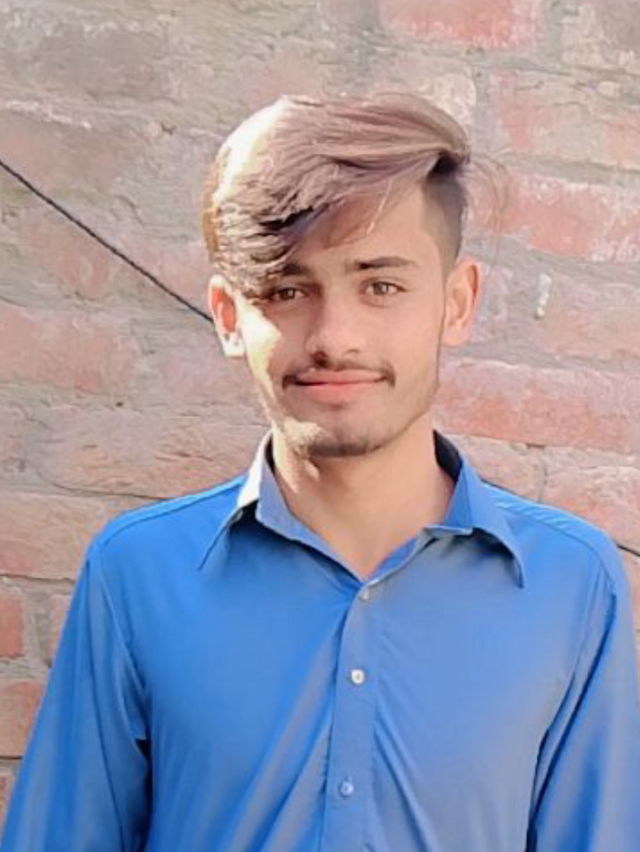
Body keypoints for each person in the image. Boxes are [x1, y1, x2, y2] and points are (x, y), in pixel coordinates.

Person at [2, 92, 640, 852]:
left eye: (381, 285)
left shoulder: (570, 583)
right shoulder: (137, 573)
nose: (335, 337)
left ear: (457, 303)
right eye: (287, 289)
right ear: (229, 316)